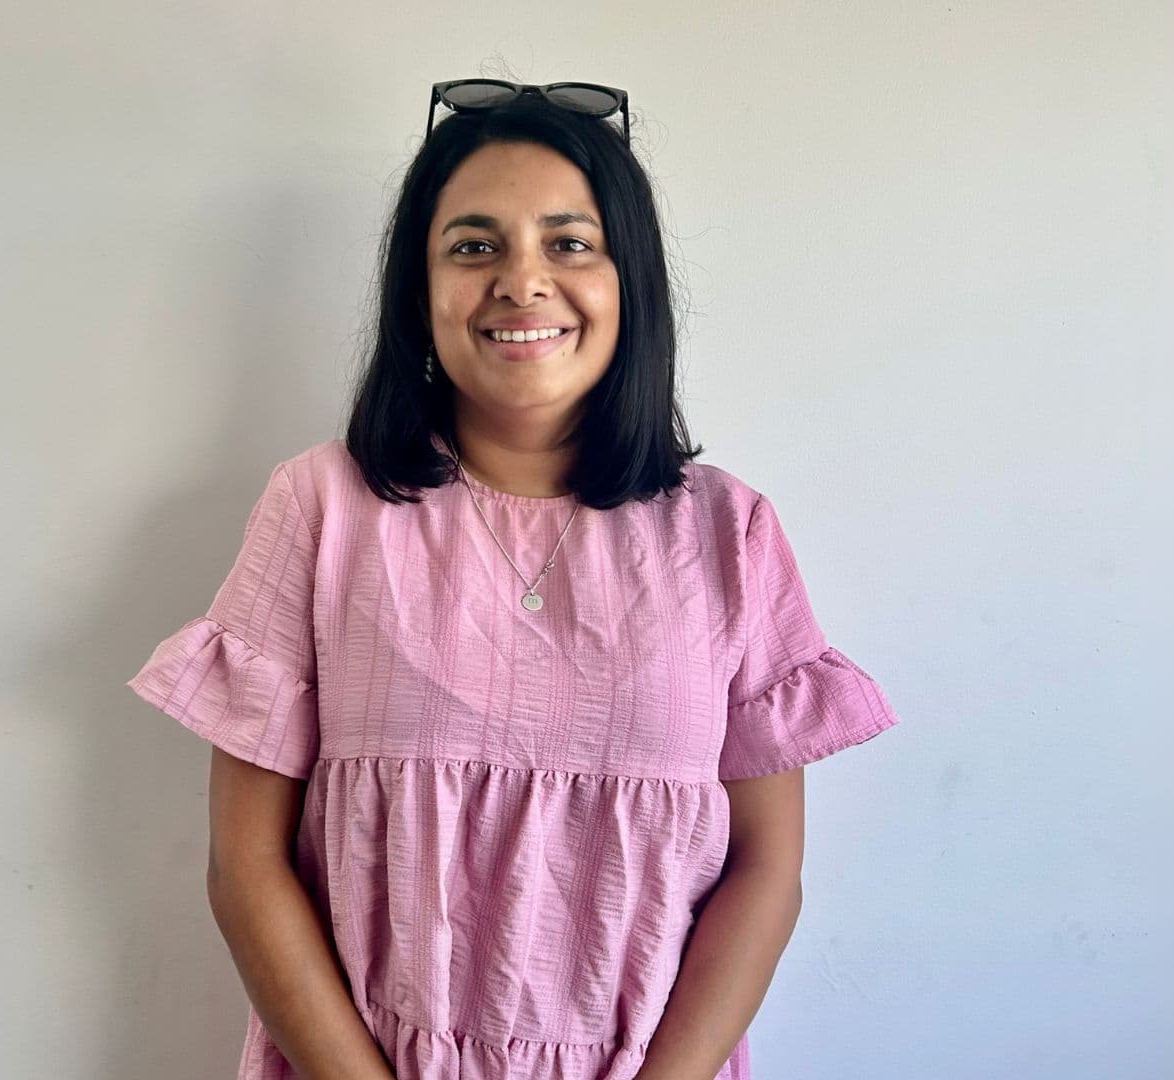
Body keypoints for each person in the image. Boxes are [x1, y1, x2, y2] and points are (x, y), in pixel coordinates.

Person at [126, 79, 900, 1080]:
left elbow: (768, 869)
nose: (522, 281)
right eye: (473, 246)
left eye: (569, 243)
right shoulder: (321, 508)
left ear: (630, 283)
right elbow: (246, 866)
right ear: (420, 290)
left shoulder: (728, 532)